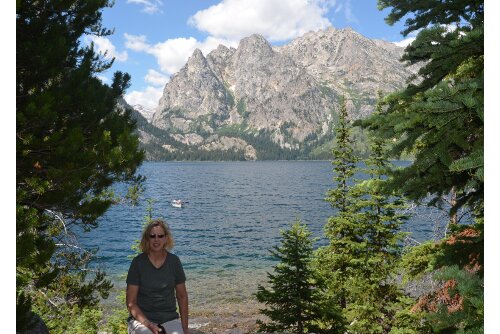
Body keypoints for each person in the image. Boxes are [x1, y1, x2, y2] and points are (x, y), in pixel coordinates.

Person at [126, 219, 189, 334]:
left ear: (166, 238)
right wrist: (148, 324)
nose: (156, 239)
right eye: (152, 236)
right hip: (141, 320)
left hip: (169, 319)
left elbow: (182, 297)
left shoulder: (174, 261)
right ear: (147, 238)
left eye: (160, 236)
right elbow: (131, 302)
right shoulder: (138, 263)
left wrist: (185, 328)